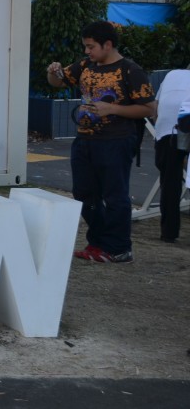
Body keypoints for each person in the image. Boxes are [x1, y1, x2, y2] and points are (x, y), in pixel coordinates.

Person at [47, 21, 156, 263]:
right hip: (85, 139)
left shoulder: (130, 70)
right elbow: (58, 82)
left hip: (116, 141)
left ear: (108, 45)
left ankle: (119, 248)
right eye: (85, 47)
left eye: (91, 46)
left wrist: (112, 108)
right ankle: (97, 243)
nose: (87, 51)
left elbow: (149, 108)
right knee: (84, 193)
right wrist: (52, 72)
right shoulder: (85, 65)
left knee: (115, 195)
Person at [153, 66, 190, 243]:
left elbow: (156, 106)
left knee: (170, 183)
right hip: (183, 124)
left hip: (168, 130)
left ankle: (169, 232)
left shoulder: (171, 74)